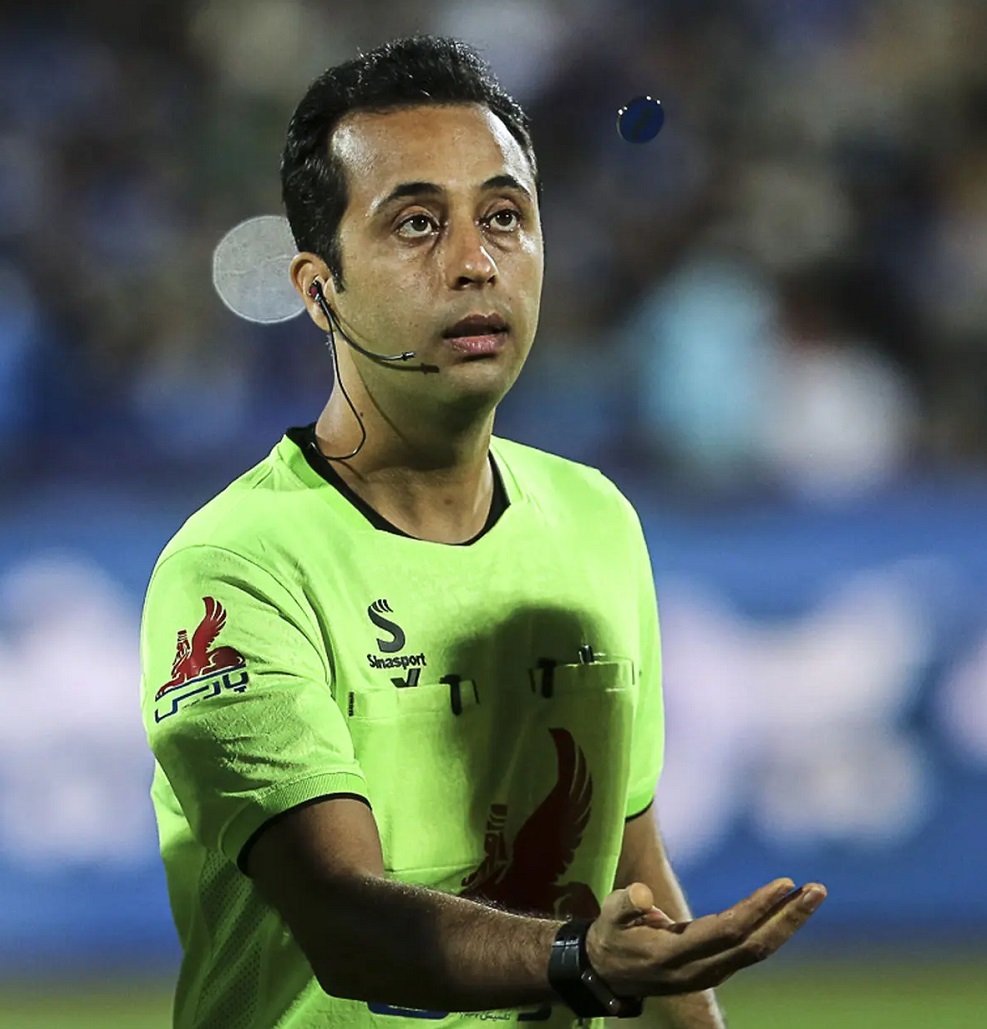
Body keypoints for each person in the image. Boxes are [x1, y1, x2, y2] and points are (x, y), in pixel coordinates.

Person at [139, 35, 826, 1029]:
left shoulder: (595, 520)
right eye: (416, 224)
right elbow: (342, 920)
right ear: (319, 289)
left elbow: (628, 865)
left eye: (504, 217)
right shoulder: (238, 569)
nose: (475, 263)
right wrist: (578, 959)